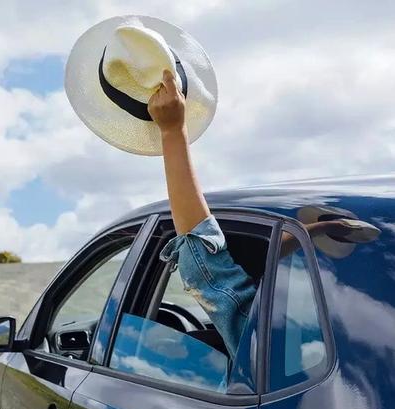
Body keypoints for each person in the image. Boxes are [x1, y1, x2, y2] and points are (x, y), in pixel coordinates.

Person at [147, 70, 355, 358]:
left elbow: (205, 269)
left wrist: (172, 132)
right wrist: (312, 231)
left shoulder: (277, 349)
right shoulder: (359, 335)